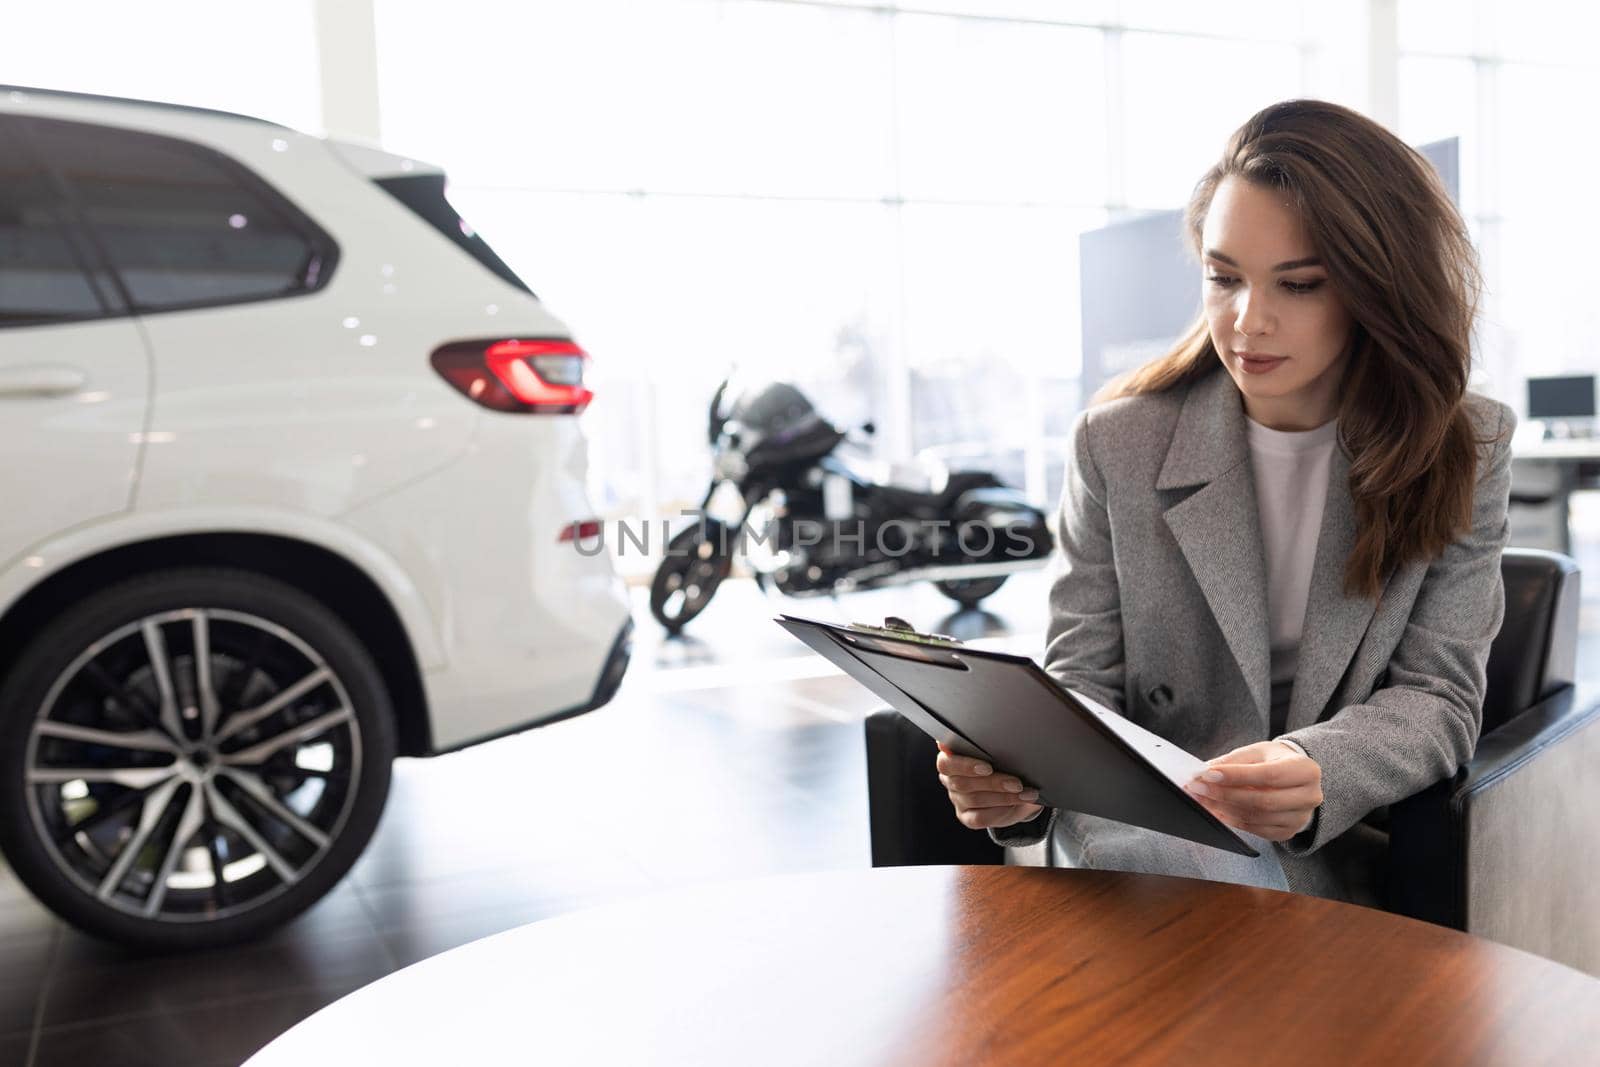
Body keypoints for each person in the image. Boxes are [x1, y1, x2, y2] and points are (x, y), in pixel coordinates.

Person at [935, 99, 1513, 904]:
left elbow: (1441, 696)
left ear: (1377, 287)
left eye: (1300, 283)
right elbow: (1081, 681)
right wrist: (1018, 781)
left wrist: (1318, 766)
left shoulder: (1462, 444)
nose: (1248, 321)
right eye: (1223, 277)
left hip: (1320, 843)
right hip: (1130, 837)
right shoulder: (1117, 443)